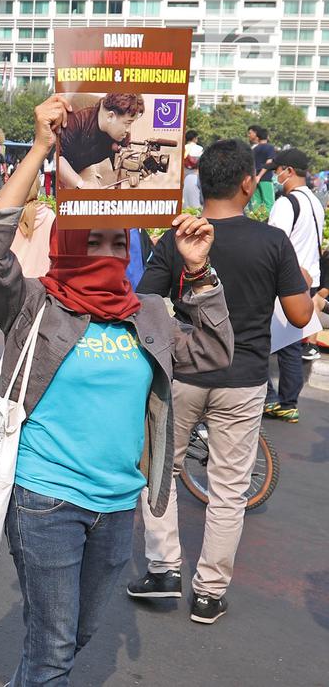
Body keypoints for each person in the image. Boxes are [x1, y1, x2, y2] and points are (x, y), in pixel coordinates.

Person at [0, 95, 232, 685]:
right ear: (67, 244)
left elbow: (215, 350)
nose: (110, 255)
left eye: (120, 244)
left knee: (72, 637)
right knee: (57, 648)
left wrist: (199, 270)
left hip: (117, 506)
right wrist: (40, 148)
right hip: (46, 499)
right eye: (95, 241)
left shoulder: (151, 315)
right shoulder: (36, 303)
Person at [131, 138, 312, 625]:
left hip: (184, 374)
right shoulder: (272, 242)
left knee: (162, 470)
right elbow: (299, 316)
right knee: (229, 489)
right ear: (248, 184)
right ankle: (209, 593)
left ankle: (164, 570)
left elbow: (145, 303)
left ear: (201, 181)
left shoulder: (178, 237)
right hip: (245, 378)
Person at [259, 149, 324, 421]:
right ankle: (288, 402)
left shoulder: (286, 204)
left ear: (288, 170)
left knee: (260, 340)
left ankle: (272, 398)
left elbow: (274, 244)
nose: (276, 176)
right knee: (292, 345)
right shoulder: (316, 202)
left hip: (285, 282)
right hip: (308, 283)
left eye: (277, 171)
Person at [57, 93, 145, 189]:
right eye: (128, 123)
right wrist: (81, 184)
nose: (128, 130)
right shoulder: (76, 114)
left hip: (82, 165)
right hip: (56, 162)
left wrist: (136, 171)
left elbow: (121, 173)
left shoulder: (122, 134)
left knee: (94, 197)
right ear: (110, 116)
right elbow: (56, 156)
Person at [247, 124, 276, 212]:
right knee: (269, 202)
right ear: (267, 136)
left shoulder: (254, 149)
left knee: (256, 203)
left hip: (254, 178)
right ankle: (266, 221)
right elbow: (269, 162)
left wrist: (255, 176)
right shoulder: (270, 147)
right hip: (265, 178)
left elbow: (252, 164)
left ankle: (256, 219)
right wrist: (260, 175)